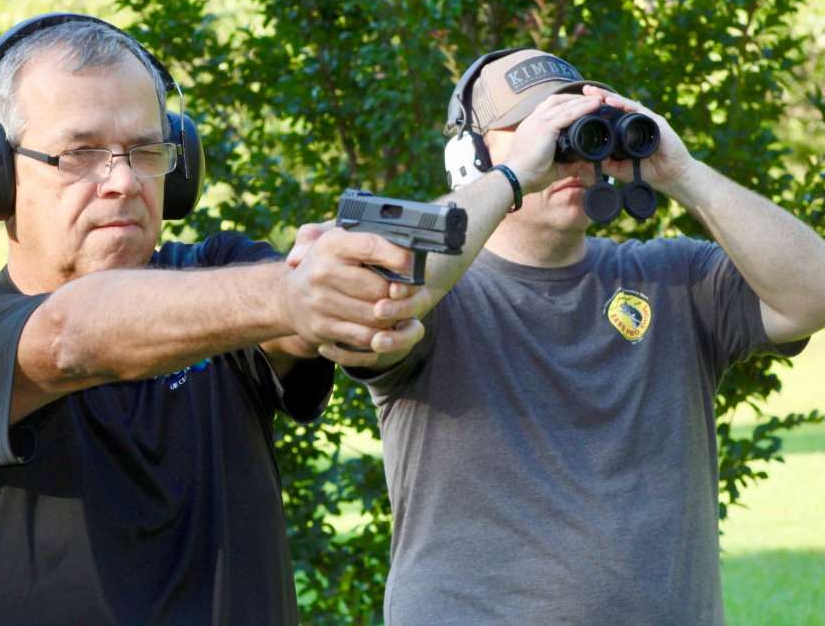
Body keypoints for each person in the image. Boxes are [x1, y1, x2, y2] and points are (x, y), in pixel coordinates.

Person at [0, 15, 427, 625]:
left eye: (146, 151)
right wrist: (292, 292)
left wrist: (509, 183)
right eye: (80, 154)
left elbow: (308, 317)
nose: (121, 180)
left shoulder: (226, 272)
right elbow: (71, 336)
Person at [293, 48, 825, 624]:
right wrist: (516, 175)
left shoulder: (673, 280)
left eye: (573, 127)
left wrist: (686, 176)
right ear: (468, 159)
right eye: (531, 128)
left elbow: (813, 294)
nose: (561, 148)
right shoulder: (439, 299)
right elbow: (378, 283)